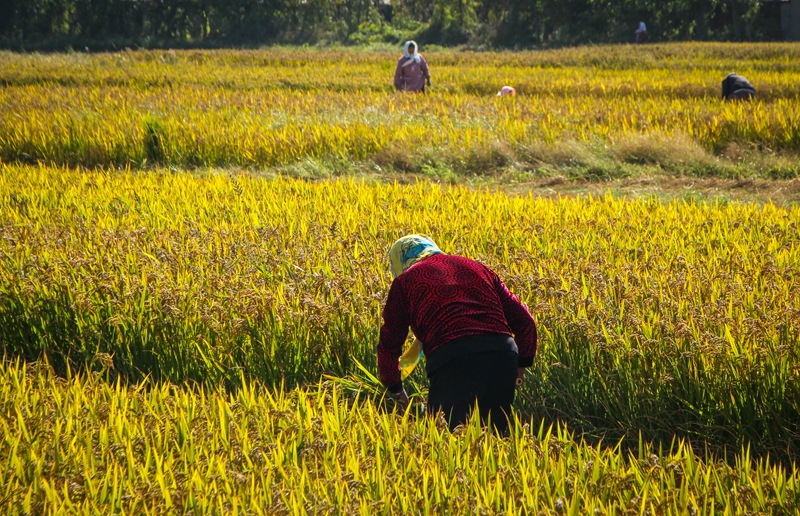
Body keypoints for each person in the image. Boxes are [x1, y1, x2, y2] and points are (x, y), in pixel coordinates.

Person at [377, 234, 538, 434]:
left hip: (454, 358)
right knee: (495, 438)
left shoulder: (404, 282)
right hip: (503, 355)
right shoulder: (477, 267)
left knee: (447, 440)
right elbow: (526, 322)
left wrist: (396, 391)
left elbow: (389, 346)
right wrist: (521, 366)